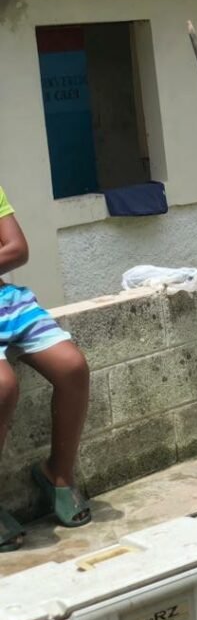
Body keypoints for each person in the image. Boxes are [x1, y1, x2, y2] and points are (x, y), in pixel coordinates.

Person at [0, 186, 91, 552]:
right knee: (3, 387)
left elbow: (17, 248)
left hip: (7, 301)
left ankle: (58, 474)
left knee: (73, 367)